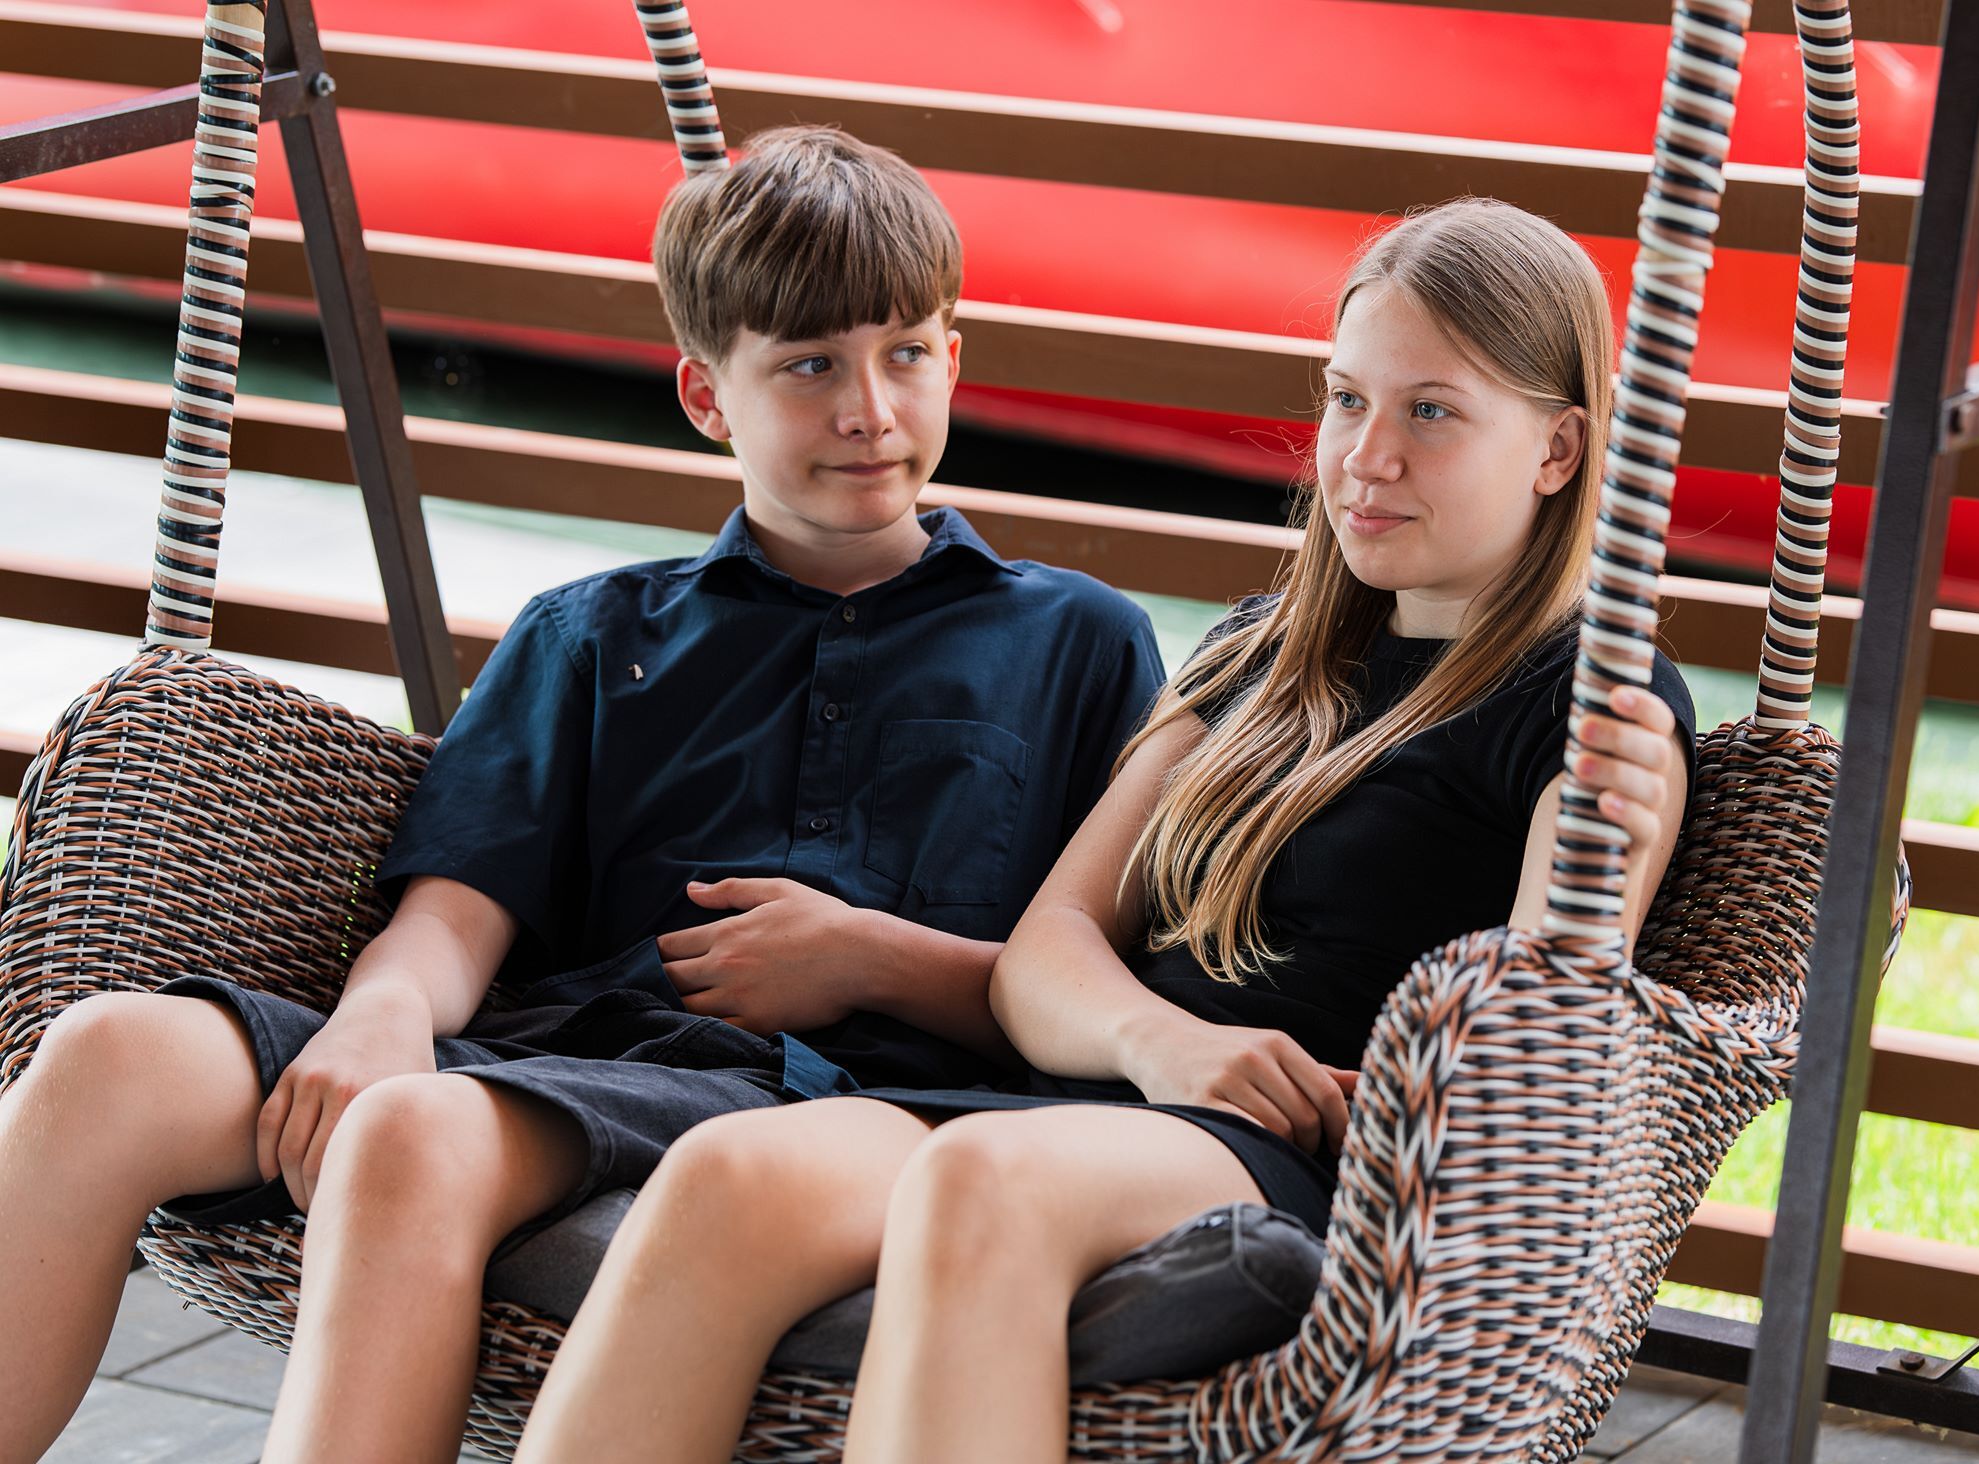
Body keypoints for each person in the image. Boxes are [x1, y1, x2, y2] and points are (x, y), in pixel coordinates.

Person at [0, 126, 1163, 1464]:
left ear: (952, 359)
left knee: (416, 1132)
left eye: (904, 354)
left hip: (832, 1107)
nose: (869, 410)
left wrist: (869, 959)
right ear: (707, 396)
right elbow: (455, 913)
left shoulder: (1082, 642)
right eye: (808, 366)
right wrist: (381, 1014)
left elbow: (1111, 984)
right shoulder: (591, 632)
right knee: (109, 1058)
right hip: (560, 1053)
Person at [511, 195, 1698, 1464]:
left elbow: (1540, 1054)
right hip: (1081, 1096)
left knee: (980, 1184)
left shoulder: (1593, 708)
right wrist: (1165, 1043)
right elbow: (1044, 956)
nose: (1365, 458)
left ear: (1557, 449)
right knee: (726, 1178)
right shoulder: (1254, 657)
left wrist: (1606, 849)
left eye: (1432, 412)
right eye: (1347, 400)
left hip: (1290, 1157)